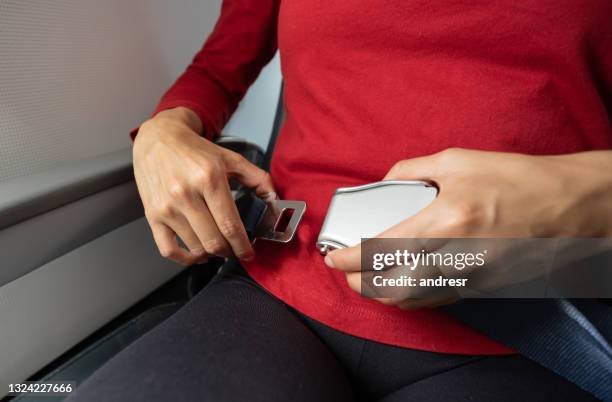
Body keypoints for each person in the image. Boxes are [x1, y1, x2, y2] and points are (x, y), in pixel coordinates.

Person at [69, 1, 611, 401]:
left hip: (538, 316)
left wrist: (578, 194)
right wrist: (165, 131)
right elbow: (215, 68)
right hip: (282, 289)